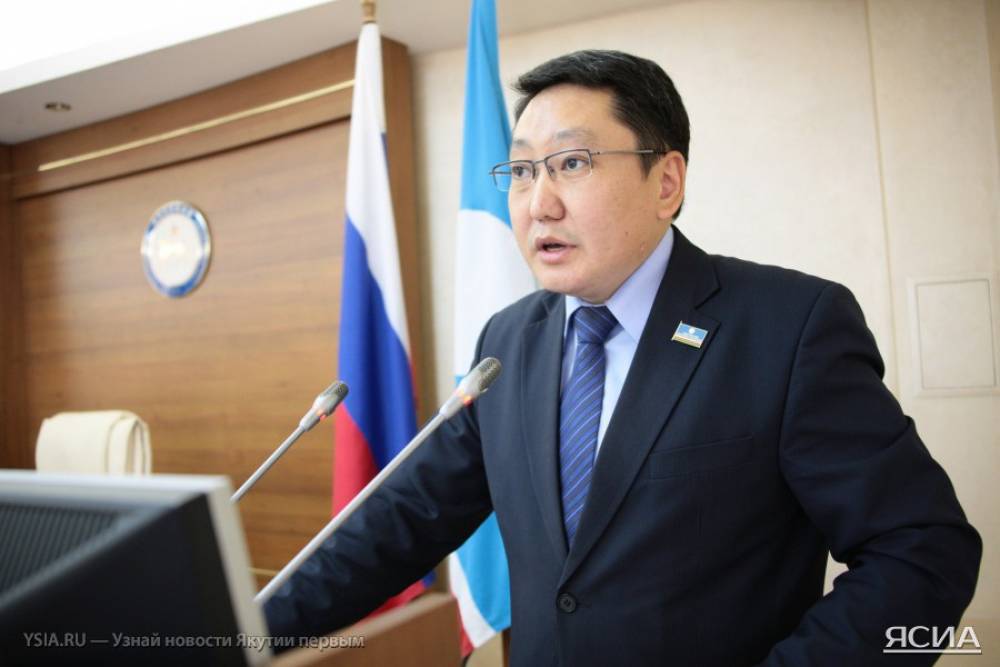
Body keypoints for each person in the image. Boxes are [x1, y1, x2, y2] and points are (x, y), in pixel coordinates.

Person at [264, 50, 981, 665]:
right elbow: (399, 522)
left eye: (571, 163)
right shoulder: (506, 344)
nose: (538, 203)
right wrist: (238, 633)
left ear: (666, 182)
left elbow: (923, 550)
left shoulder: (788, 327)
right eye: (521, 171)